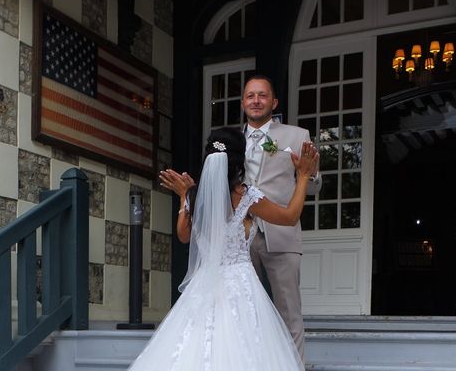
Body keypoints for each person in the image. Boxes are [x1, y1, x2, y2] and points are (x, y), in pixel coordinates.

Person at [128, 127, 318, 370]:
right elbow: (289, 217)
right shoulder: (245, 195)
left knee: (195, 341)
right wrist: (302, 177)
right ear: (240, 160)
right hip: (241, 283)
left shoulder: (196, 196)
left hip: (204, 282)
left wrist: (184, 197)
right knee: (247, 345)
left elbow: (183, 236)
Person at [242, 75, 321, 360]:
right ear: (243, 102)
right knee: (244, 311)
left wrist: (307, 173)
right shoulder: (229, 140)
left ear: (273, 103)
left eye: (262, 95)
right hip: (241, 236)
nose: (256, 100)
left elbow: (313, 186)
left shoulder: (296, 136)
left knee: (289, 312)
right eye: (250, 95)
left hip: (282, 233)